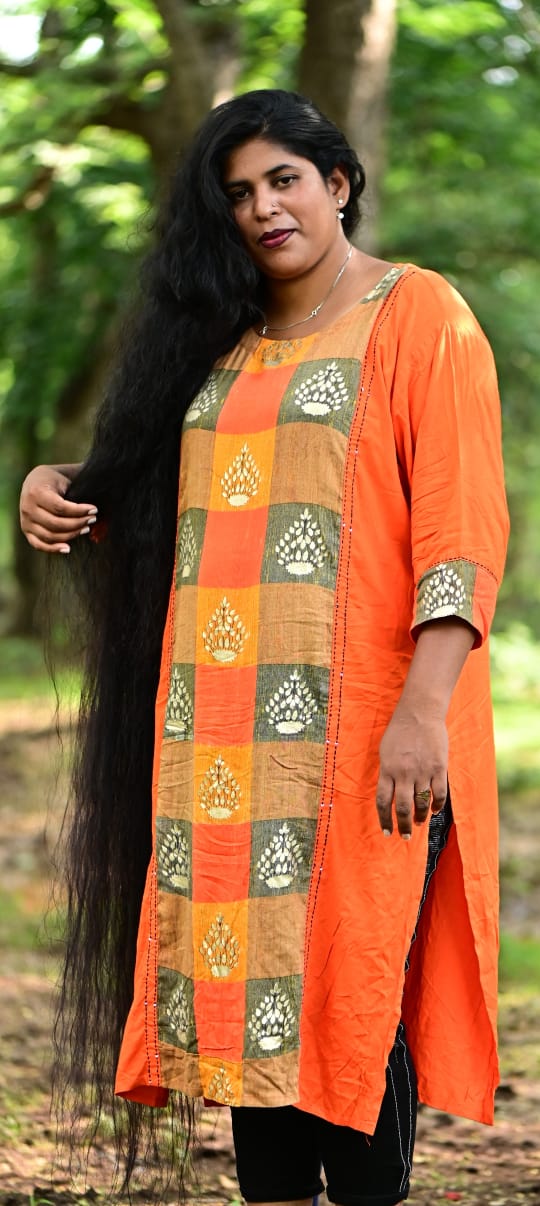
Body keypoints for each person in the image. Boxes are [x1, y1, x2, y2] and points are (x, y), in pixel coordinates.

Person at [20, 89, 509, 1206]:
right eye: (237, 193)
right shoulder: (215, 342)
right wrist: (57, 484)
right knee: (246, 1004)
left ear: (336, 182)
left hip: (368, 730)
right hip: (220, 738)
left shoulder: (418, 314)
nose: (262, 208)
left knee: (354, 986)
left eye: (284, 179)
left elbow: (462, 530)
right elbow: (159, 505)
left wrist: (424, 710)